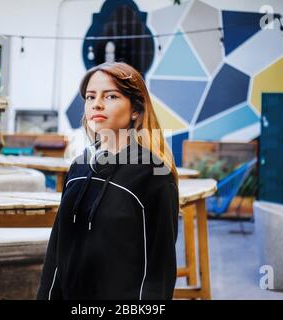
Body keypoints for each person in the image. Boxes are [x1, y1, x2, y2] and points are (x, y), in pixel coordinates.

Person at [37, 62, 179, 300]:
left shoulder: (154, 175)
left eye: (111, 96)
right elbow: (56, 253)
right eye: (90, 97)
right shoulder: (78, 167)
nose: (97, 104)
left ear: (136, 109)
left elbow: (159, 272)